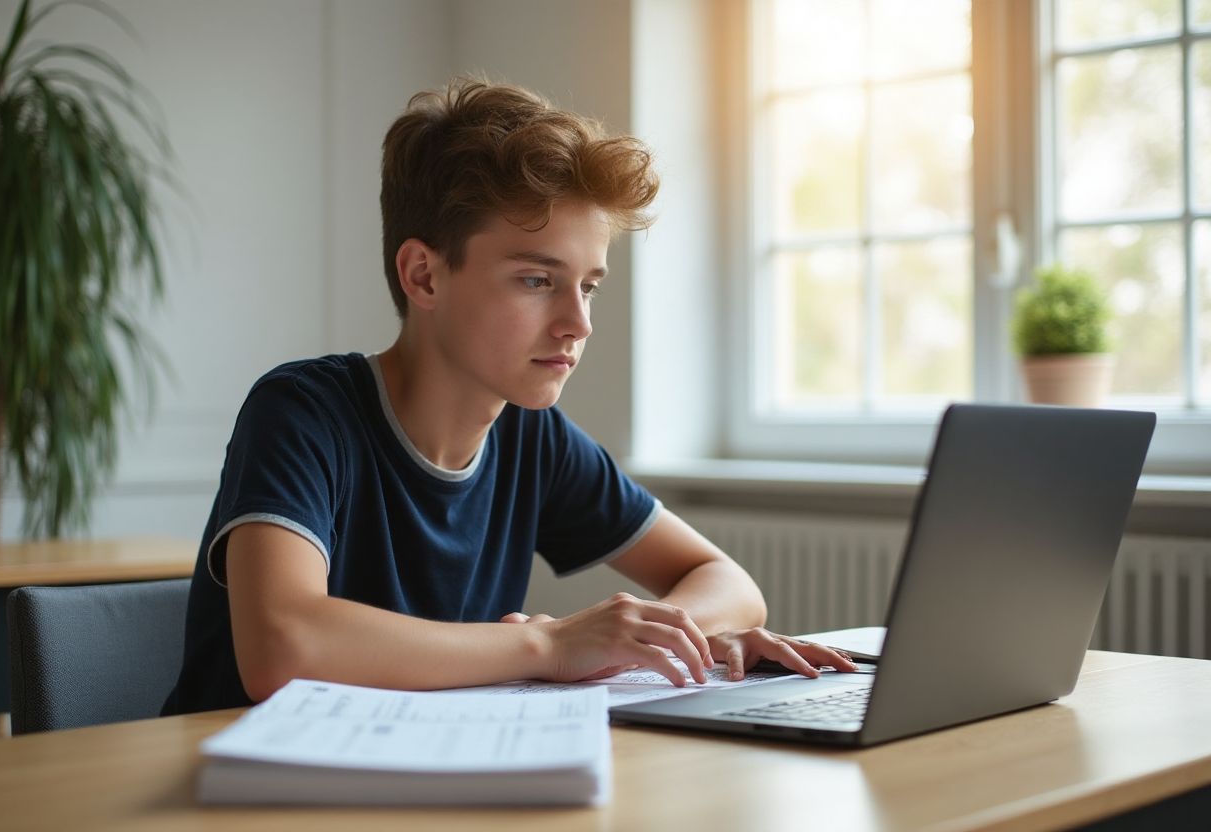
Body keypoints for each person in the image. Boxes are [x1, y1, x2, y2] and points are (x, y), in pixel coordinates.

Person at [162, 78, 856, 715]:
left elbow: (729, 583)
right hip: (240, 791)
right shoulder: (304, 411)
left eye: (588, 285)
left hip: (420, 779)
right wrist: (550, 647)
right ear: (424, 276)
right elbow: (282, 648)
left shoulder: (531, 434)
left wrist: (656, 637)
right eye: (536, 280)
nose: (577, 324)